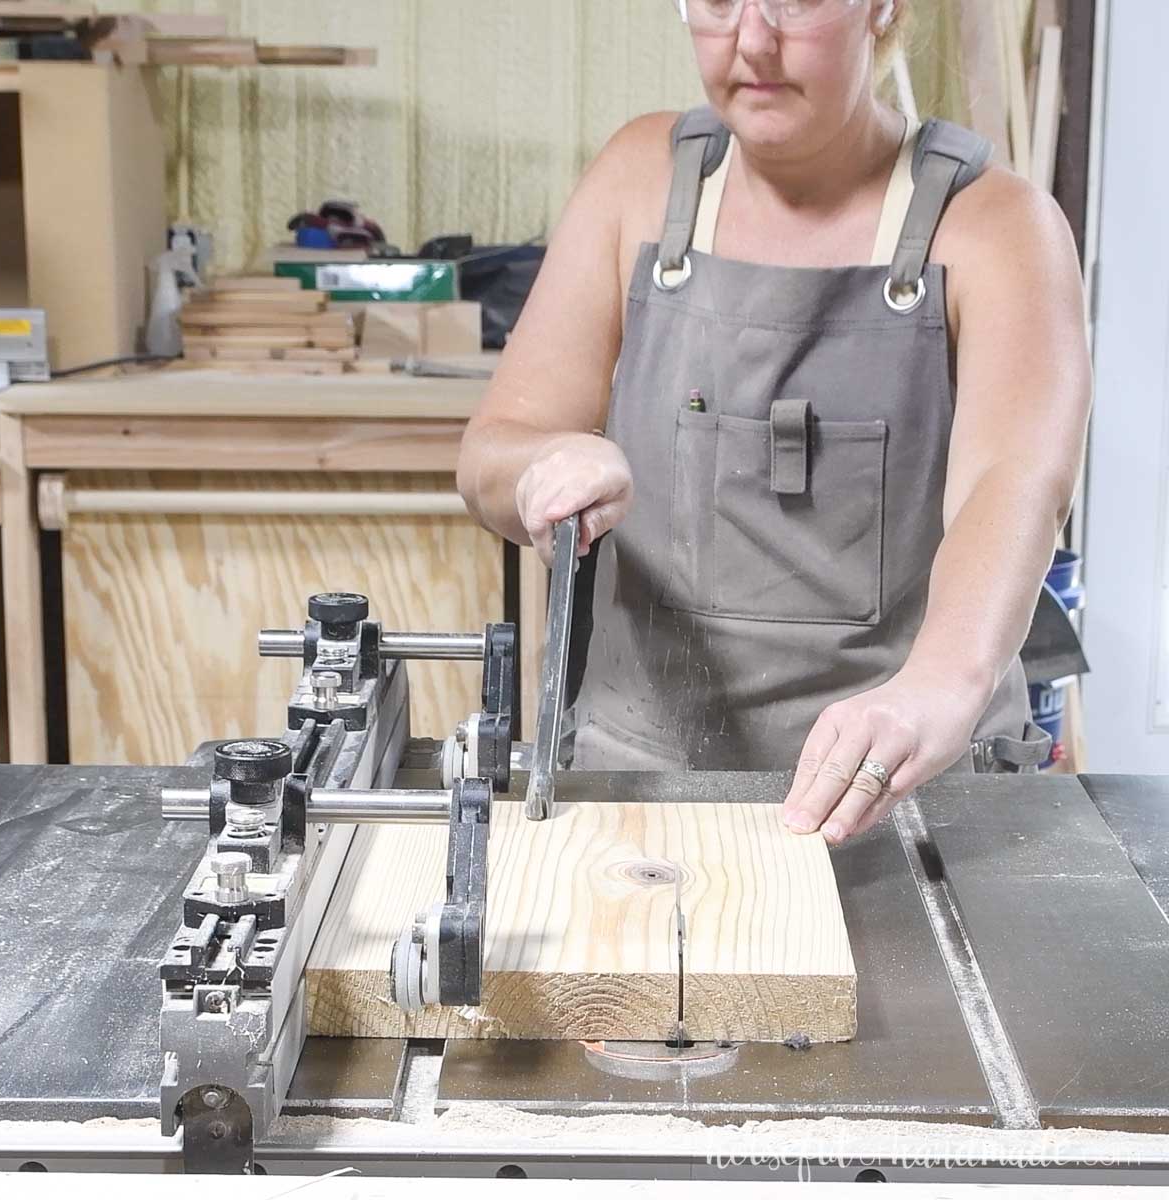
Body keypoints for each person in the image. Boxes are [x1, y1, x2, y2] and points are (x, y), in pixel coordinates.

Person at [456, 0, 1091, 844]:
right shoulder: (637, 182)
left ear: (883, 8)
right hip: (638, 787)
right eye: (720, 1)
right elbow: (494, 450)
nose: (753, 40)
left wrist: (938, 687)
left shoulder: (997, 228)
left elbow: (1012, 488)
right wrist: (545, 467)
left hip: (902, 795)